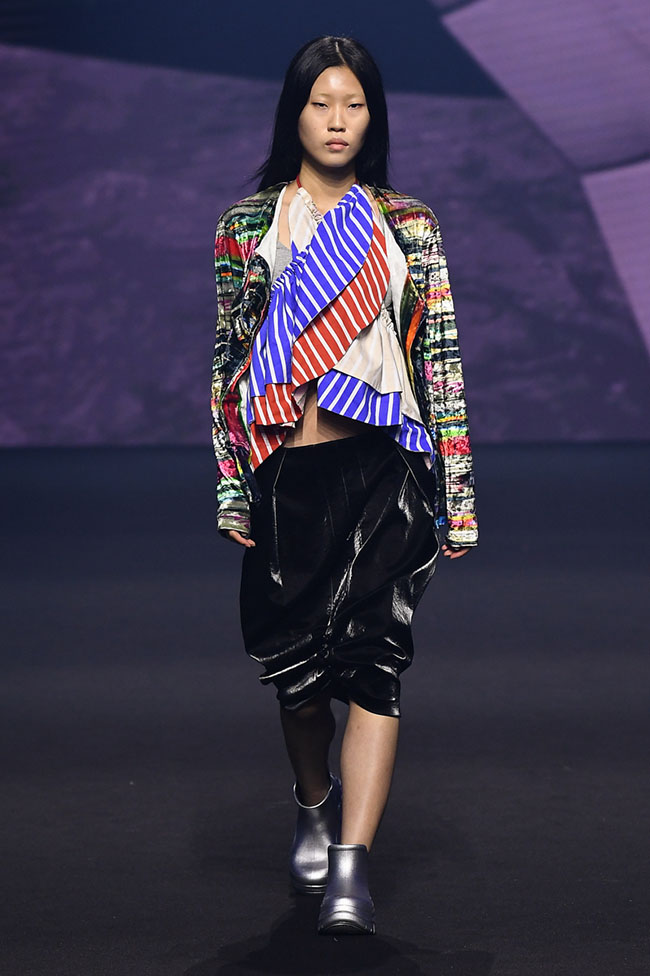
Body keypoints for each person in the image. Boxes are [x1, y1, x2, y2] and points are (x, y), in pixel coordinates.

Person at [211, 34, 479, 937]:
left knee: (375, 664)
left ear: (374, 116)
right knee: (296, 680)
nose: (337, 121)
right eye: (321, 103)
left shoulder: (408, 224)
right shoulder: (248, 226)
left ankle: (351, 870)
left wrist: (459, 495)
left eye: (354, 104)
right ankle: (314, 804)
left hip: (384, 471)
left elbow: (439, 363)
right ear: (293, 113)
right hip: (288, 472)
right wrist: (231, 485)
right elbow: (227, 363)